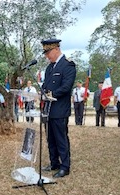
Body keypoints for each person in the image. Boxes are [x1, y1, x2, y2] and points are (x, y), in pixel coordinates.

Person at [41, 38, 76, 178]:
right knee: (51, 138)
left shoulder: (68, 66)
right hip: (48, 109)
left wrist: (51, 94)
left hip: (60, 109)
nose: (46, 56)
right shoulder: (50, 67)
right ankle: (54, 162)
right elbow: (45, 85)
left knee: (61, 138)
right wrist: (42, 93)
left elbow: (66, 87)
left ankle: (65, 166)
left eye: (48, 52)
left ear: (56, 49)